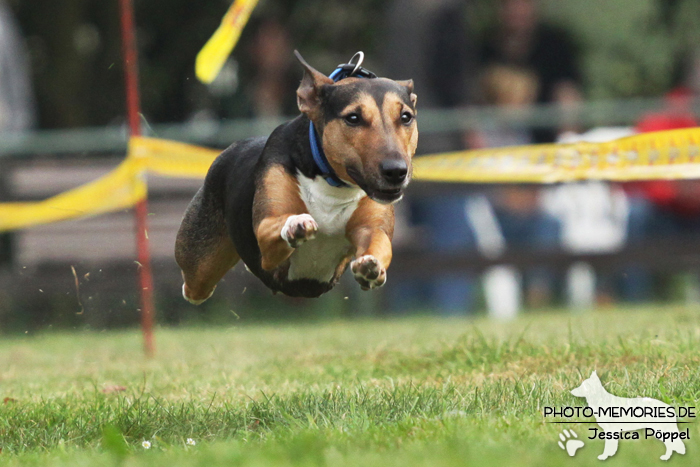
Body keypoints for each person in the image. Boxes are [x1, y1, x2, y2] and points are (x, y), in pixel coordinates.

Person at [479, 0, 582, 143]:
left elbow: (568, 95)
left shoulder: (555, 45)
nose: (517, 9)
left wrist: (568, 138)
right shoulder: (485, 47)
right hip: (497, 142)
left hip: (546, 143)